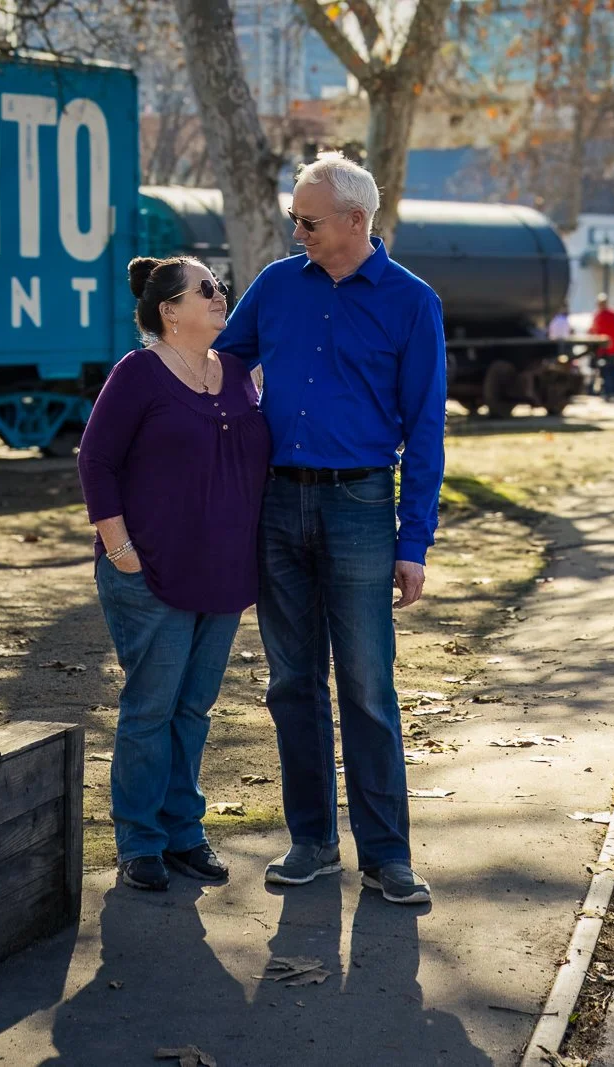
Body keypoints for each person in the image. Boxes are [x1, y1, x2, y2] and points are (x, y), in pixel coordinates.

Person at [214, 153, 445, 906]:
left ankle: (387, 855)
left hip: (361, 507)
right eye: (294, 219)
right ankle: (312, 840)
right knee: (292, 682)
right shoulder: (277, 286)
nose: (297, 230)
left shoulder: (413, 303)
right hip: (276, 505)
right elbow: (220, 364)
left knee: (369, 686)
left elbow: (428, 430)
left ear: (355, 219)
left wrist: (413, 544)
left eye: (308, 220)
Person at [78, 256, 271, 893]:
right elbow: (96, 462)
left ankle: (184, 831)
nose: (222, 297)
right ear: (170, 311)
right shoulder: (138, 373)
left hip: (222, 574)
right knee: (150, 708)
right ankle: (139, 841)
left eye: (221, 290)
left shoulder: (239, 372)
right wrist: (121, 548)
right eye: (208, 290)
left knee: (194, 709)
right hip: (149, 571)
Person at [590, 293, 614, 402]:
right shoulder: (603, 315)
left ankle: (611, 392)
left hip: (608, 348)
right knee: (608, 370)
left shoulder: (608, 315)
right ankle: (611, 392)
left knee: (608, 370)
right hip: (606, 348)